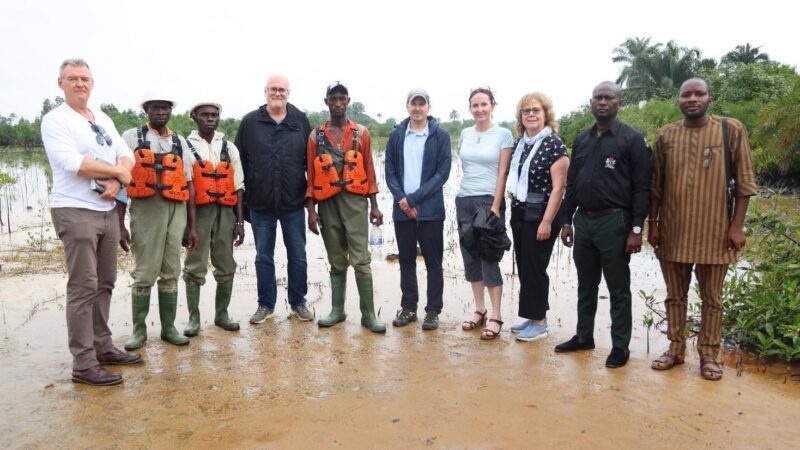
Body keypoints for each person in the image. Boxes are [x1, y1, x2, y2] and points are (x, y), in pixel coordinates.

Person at [649, 78, 756, 381]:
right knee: (675, 296)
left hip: (716, 231)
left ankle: (709, 354)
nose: (692, 98)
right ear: (678, 100)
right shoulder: (666, 136)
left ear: (711, 99)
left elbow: (745, 183)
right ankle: (675, 348)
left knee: (712, 298)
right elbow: (655, 187)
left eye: (699, 94)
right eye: (686, 94)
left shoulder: (730, 130)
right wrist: (653, 225)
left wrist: (737, 226)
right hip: (673, 231)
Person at [41, 58, 141, 386]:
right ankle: (83, 363)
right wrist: (118, 173)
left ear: (92, 82)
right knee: (83, 286)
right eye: (73, 79)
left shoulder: (102, 118)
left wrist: (116, 182)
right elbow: (72, 163)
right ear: (61, 84)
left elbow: (127, 153)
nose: (80, 83)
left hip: (106, 210)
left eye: (85, 78)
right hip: (75, 209)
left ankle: (102, 347)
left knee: (106, 281)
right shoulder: (55, 120)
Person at [557, 81, 651, 368]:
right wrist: (566, 221)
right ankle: (584, 336)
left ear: (619, 102)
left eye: (608, 97)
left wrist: (636, 229)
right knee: (586, 284)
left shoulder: (632, 139)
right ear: (591, 103)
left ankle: (620, 346)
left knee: (618, 287)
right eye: (597, 97)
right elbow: (572, 185)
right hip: (584, 221)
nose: (602, 102)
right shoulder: (583, 139)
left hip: (615, 221)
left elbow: (642, 188)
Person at [119, 92, 198, 350]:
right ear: (147, 110)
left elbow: (189, 183)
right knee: (144, 271)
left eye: (165, 108)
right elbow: (120, 181)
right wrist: (119, 223)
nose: (161, 112)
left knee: (171, 269)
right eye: (156, 108)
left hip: (176, 210)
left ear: (171, 111)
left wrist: (192, 226)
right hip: (145, 209)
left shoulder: (180, 141)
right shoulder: (131, 137)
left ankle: (169, 328)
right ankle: (139, 331)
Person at [305, 81, 386, 333]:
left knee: (361, 259)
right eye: (333, 98)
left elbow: (370, 170)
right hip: (327, 203)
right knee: (336, 259)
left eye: (342, 98)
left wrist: (374, 206)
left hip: (355, 202)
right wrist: (310, 210)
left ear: (348, 101)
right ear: (326, 102)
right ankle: (337, 311)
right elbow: (310, 175)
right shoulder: (315, 136)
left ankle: (368, 314)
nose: (338, 103)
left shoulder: (361, 133)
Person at [235, 75, 313, 324]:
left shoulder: (300, 120)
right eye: (273, 89)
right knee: (263, 256)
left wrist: (312, 204)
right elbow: (240, 165)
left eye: (282, 90)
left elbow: (311, 164)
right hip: (261, 203)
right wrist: (242, 206)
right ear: (265, 91)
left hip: (293, 202)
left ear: (288, 92)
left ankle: (298, 302)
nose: (277, 93)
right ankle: (265, 305)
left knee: (298, 255)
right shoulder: (250, 122)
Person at [384, 89, 452, 331]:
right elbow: (390, 171)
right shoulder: (397, 135)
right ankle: (409, 307)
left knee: (433, 262)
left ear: (428, 108)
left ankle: (433, 311)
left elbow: (442, 174)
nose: (418, 108)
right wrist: (403, 200)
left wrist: (414, 199)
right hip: (402, 209)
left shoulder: (441, 136)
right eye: (414, 104)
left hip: (430, 211)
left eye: (422, 104)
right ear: (407, 106)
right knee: (406, 261)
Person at [506, 92, 569, 342]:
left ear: (546, 114)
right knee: (524, 266)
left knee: (535, 267)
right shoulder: (521, 144)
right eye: (526, 111)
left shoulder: (554, 144)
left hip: (542, 214)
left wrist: (546, 221)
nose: (531, 114)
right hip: (520, 211)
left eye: (536, 110)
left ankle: (540, 323)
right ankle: (532, 316)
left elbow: (559, 188)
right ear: (521, 117)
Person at [181, 101, 245, 336]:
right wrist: (189, 226)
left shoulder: (229, 147)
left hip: (225, 213)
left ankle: (221, 315)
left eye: (214, 115)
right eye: (205, 115)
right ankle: (193, 319)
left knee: (226, 263)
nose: (210, 118)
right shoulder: (185, 146)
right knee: (194, 264)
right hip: (197, 213)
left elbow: (239, 186)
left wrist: (239, 223)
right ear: (194, 117)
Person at [456, 87, 514, 340]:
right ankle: (479, 309)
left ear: (492, 105)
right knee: (470, 257)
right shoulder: (465, 134)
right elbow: (466, 167)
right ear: (470, 108)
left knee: (489, 257)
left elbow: (503, 172)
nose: (479, 109)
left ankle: (496, 316)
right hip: (464, 200)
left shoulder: (503, 134)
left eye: (484, 104)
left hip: (489, 202)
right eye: (474, 105)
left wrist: (495, 206)